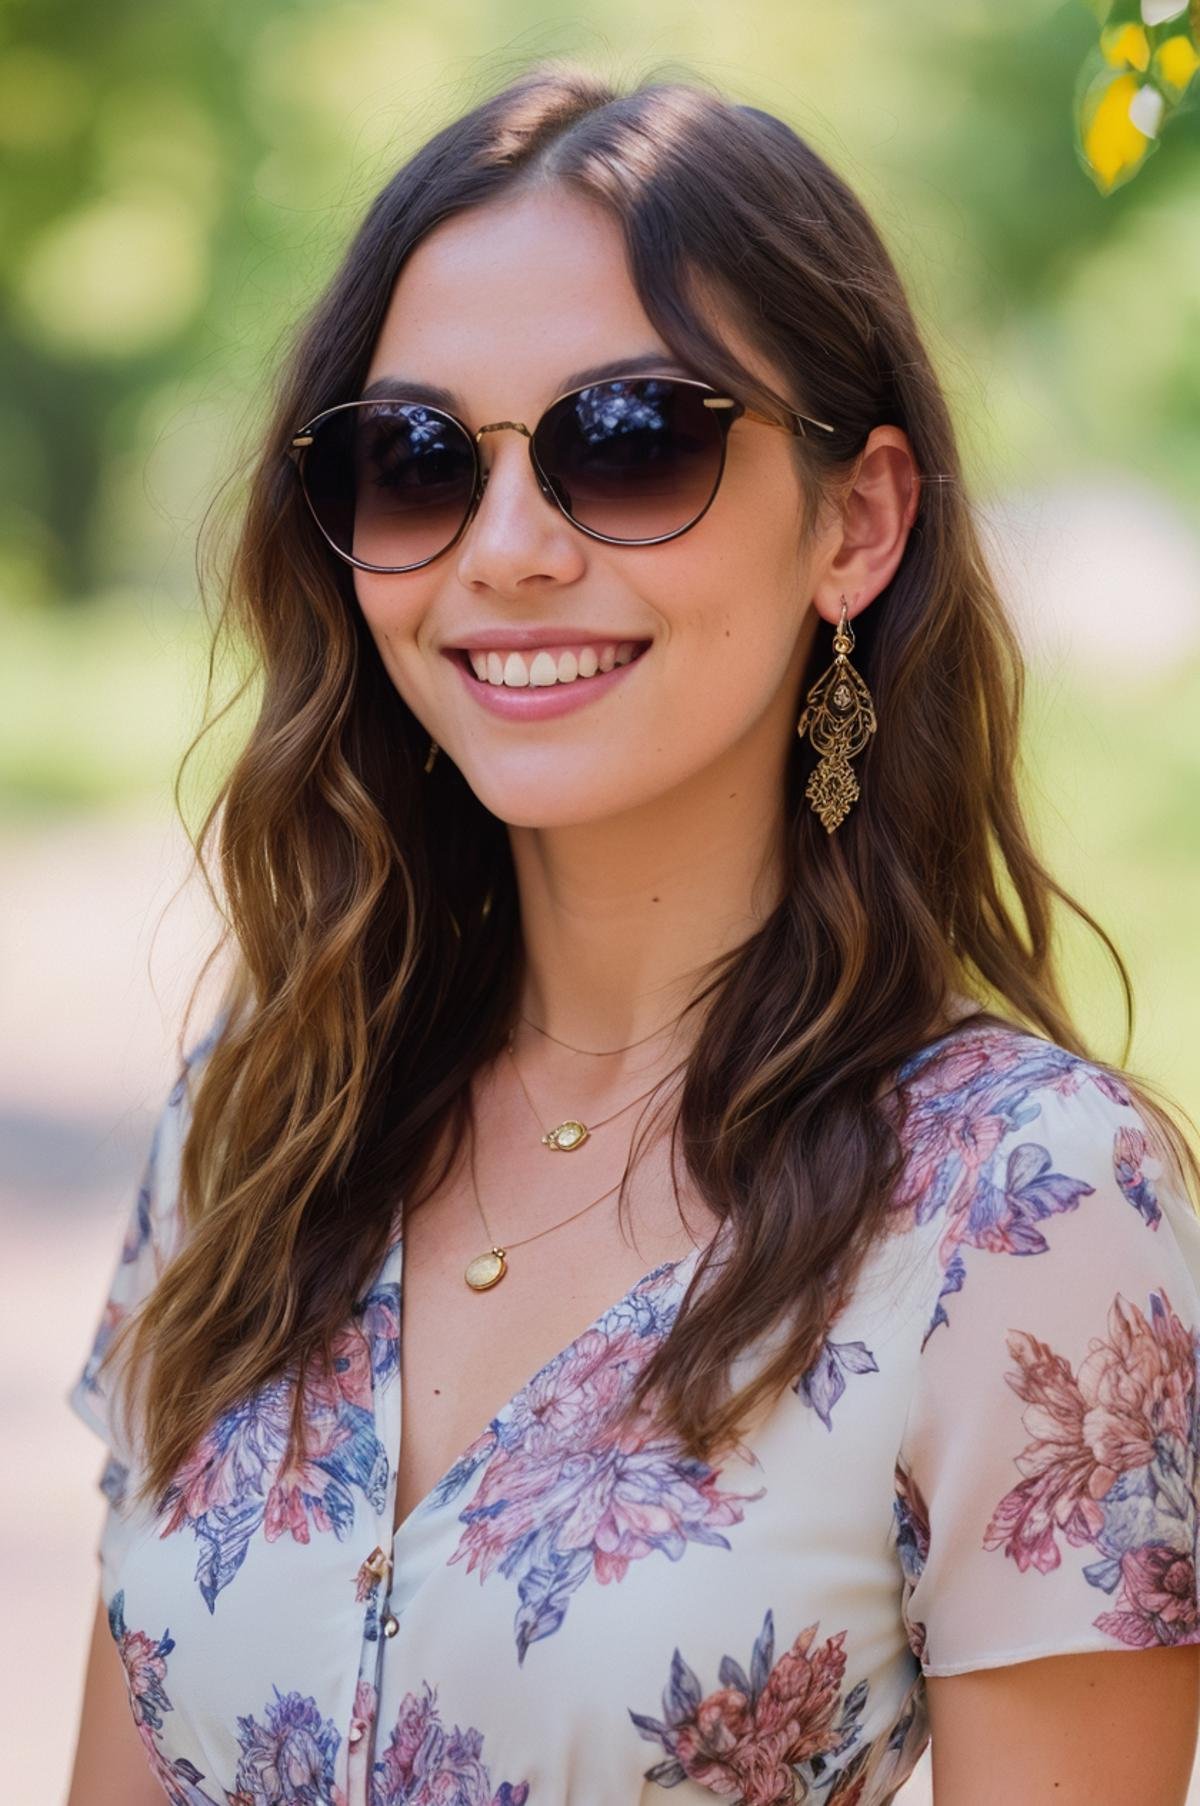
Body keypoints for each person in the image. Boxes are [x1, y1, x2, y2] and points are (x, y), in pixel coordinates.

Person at [65, 58, 1200, 1806]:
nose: (506, 550)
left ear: (860, 519)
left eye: (629, 440)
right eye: (417, 461)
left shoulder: (1025, 1204)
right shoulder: (263, 1102)